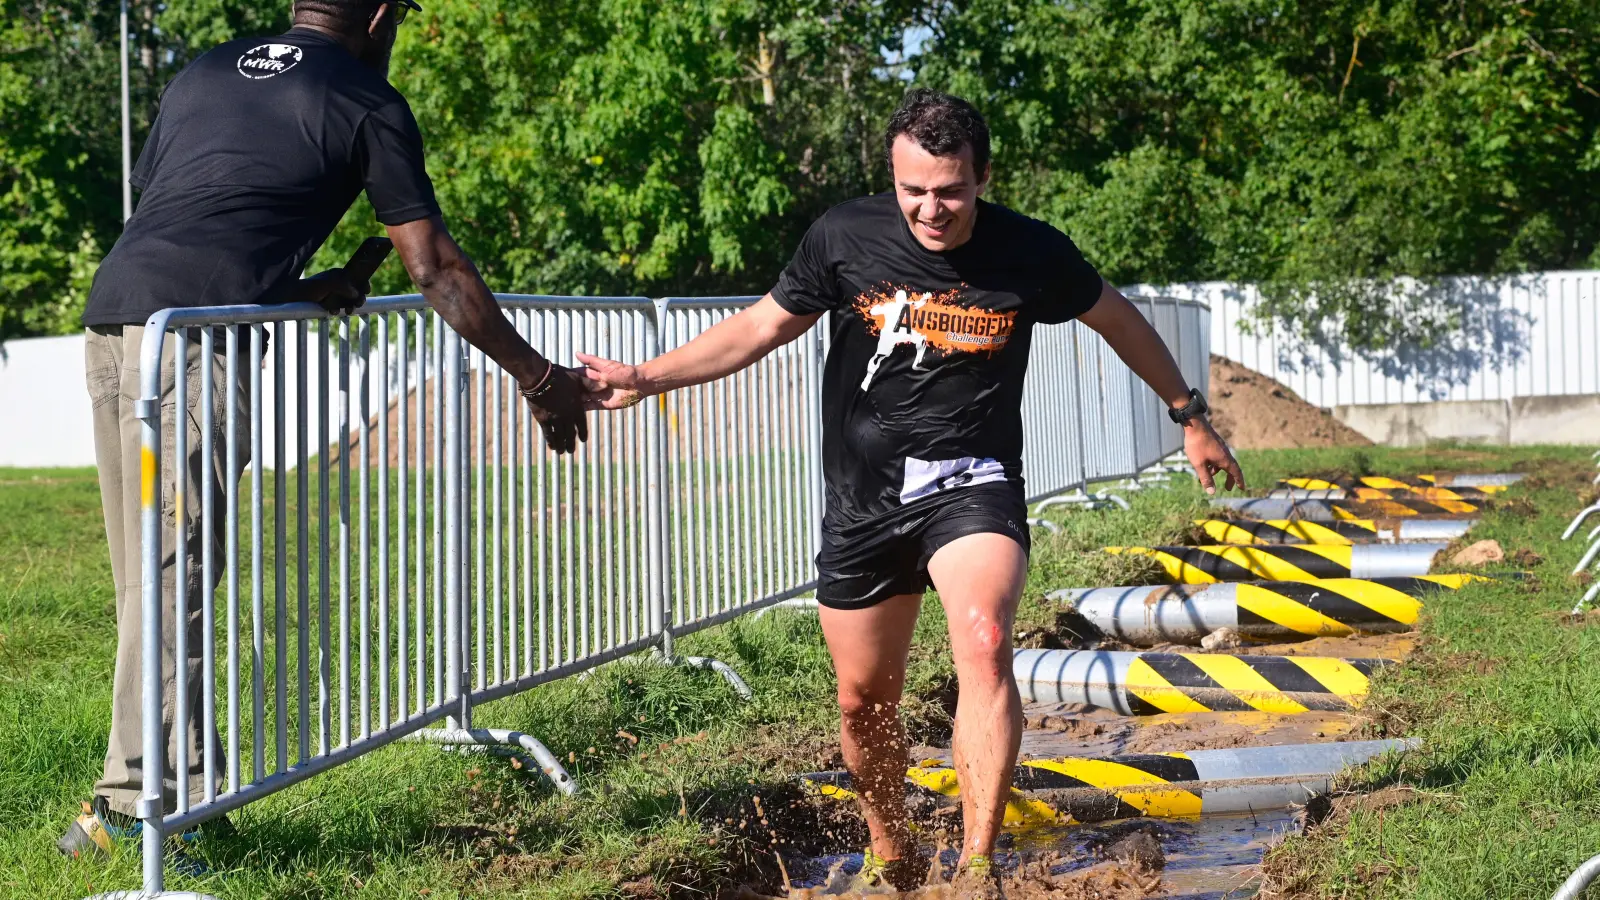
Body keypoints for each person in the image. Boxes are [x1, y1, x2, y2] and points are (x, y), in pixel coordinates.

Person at [578, 89, 1245, 894]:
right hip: (865, 502)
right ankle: (891, 849)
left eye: (952, 191)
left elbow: (1119, 319)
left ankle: (975, 867)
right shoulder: (843, 235)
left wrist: (1189, 414)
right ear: (891, 177)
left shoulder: (1030, 252)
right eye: (914, 190)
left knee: (986, 644)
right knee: (864, 702)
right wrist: (646, 378)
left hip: (974, 486)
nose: (932, 209)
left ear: (983, 177)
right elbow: (759, 327)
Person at [62, 0, 592, 860]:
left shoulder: (202, 71)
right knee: (175, 577)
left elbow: (196, 218)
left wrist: (308, 288)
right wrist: (536, 376)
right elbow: (436, 267)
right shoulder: (362, 96)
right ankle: (150, 809)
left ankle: (126, 801)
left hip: (118, 324)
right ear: (380, 14)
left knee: (148, 578)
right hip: (189, 350)